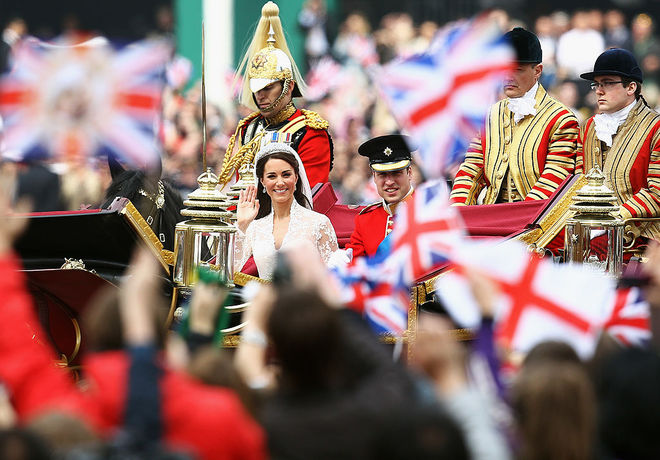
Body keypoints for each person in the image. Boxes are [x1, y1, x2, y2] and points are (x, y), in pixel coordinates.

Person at [450, 27, 579, 205]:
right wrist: (457, 209)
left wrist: (520, 221)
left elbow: (554, 180)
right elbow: (470, 169)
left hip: (537, 222)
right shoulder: (489, 115)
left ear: (538, 71)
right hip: (492, 216)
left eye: (517, 70)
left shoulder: (561, 119)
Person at [218, 1, 333, 190]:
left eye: (268, 88)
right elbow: (238, 188)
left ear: (289, 87)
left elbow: (309, 194)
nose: (260, 95)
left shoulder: (310, 131)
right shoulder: (247, 127)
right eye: (257, 89)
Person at [576, 48, 660, 243]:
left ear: (631, 88)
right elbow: (578, 182)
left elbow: (657, 192)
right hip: (592, 232)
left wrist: (611, 220)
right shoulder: (588, 127)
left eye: (607, 83)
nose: (599, 90)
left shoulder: (655, 127)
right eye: (596, 84)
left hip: (643, 239)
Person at [234, 142, 338, 279]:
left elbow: (335, 276)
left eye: (286, 175)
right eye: (272, 176)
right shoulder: (254, 228)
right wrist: (242, 225)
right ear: (263, 182)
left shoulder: (318, 223)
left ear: (296, 177)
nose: (280, 182)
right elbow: (227, 272)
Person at [345, 134, 414, 258]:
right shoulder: (365, 220)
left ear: (409, 172)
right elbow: (355, 265)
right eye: (382, 175)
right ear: (374, 177)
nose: (389, 182)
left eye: (396, 173)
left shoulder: (429, 209)